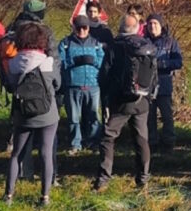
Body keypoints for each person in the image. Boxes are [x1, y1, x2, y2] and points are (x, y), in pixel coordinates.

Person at [93, 15, 157, 192]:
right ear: (137, 28)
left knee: (108, 137)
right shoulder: (147, 47)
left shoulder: (115, 46)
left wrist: (105, 98)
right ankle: (143, 178)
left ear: (120, 28)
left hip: (120, 102)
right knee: (141, 140)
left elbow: (105, 74)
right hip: (142, 101)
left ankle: (104, 178)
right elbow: (154, 75)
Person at [3, 22, 61, 207]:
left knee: (16, 154)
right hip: (47, 113)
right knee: (46, 153)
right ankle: (45, 196)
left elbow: (11, 87)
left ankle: (9, 195)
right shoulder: (48, 62)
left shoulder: (13, 63)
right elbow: (58, 85)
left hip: (23, 113)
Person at [57, 15, 105, 154]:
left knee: (94, 116)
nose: (82, 31)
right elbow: (60, 62)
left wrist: (93, 61)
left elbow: (102, 62)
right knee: (73, 117)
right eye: (79, 28)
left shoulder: (96, 43)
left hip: (93, 85)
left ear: (88, 28)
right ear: (74, 28)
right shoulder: (65, 43)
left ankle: (94, 142)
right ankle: (75, 143)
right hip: (73, 85)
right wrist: (74, 62)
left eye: (85, 28)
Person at [145, 13, 183, 152]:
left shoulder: (171, 42)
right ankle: (152, 143)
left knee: (167, 116)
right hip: (148, 84)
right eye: (149, 24)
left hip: (164, 82)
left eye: (155, 23)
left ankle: (168, 143)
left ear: (161, 25)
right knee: (150, 116)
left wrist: (162, 64)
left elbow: (178, 62)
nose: (152, 26)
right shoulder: (143, 42)